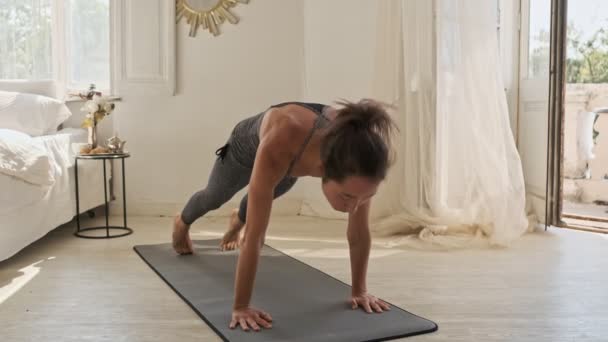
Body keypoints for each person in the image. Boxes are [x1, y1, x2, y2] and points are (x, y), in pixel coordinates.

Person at [172, 99, 396, 332]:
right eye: (348, 197)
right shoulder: (282, 143)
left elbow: (359, 233)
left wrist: (359, 291)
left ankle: (237, 219)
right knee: (214, 197)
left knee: (253, 207)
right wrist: (241, 307)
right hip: (246, 149)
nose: (354, 207)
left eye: (365, 197)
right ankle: (182, 222)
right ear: (323, 169)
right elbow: (255, 238)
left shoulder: (363, 158)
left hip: (293, 161)